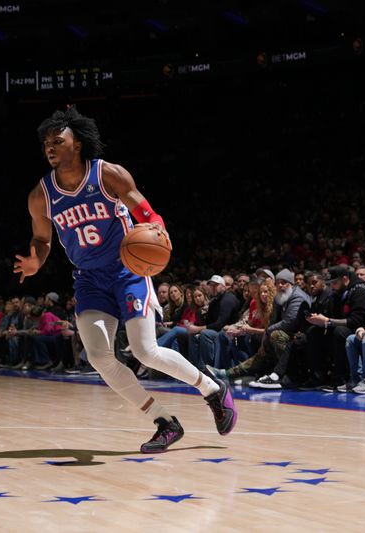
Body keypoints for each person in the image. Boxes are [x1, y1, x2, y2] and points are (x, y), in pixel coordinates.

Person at [13, 106, 235, 453]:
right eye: (46, 144)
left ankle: (212, 389)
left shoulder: (107, 175)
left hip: (126, 270)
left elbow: (144, 212)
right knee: (99, 357)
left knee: (145, 350)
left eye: (58, 140)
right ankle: (164, 421)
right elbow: (42, 241)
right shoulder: (41, 195)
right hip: (89, 279)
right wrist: (34, 262)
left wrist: (157, 228)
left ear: (77, 144)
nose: (51, 148)